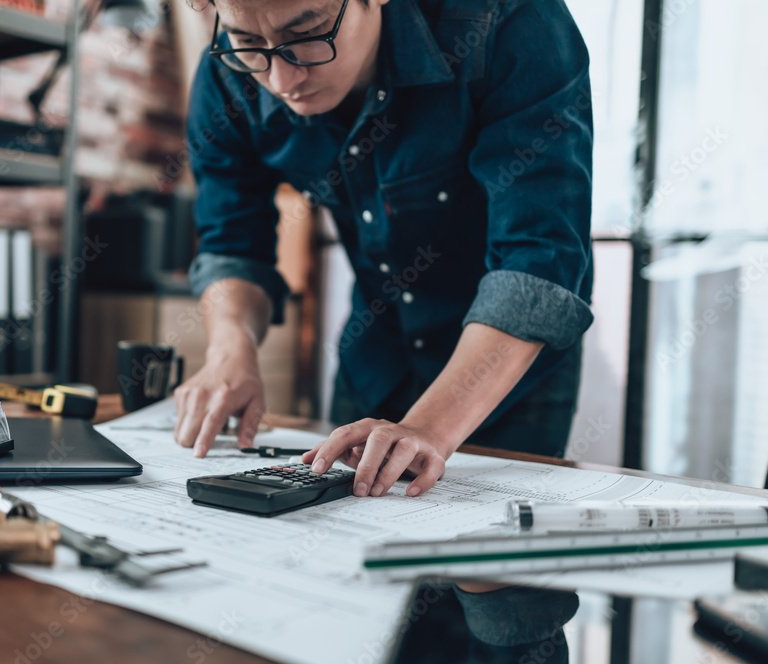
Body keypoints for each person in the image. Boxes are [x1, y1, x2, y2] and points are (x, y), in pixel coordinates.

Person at [174, 0, 594, 500]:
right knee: (340, 552)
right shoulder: (228, 74)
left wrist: (431, 427)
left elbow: (539, 256)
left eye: (307, 32)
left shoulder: (513, 22)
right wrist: (230, 348)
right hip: (376, 353)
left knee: (492, 573)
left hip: (505, 370)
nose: (283, 79)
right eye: (249, 43)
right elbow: (233, 243)